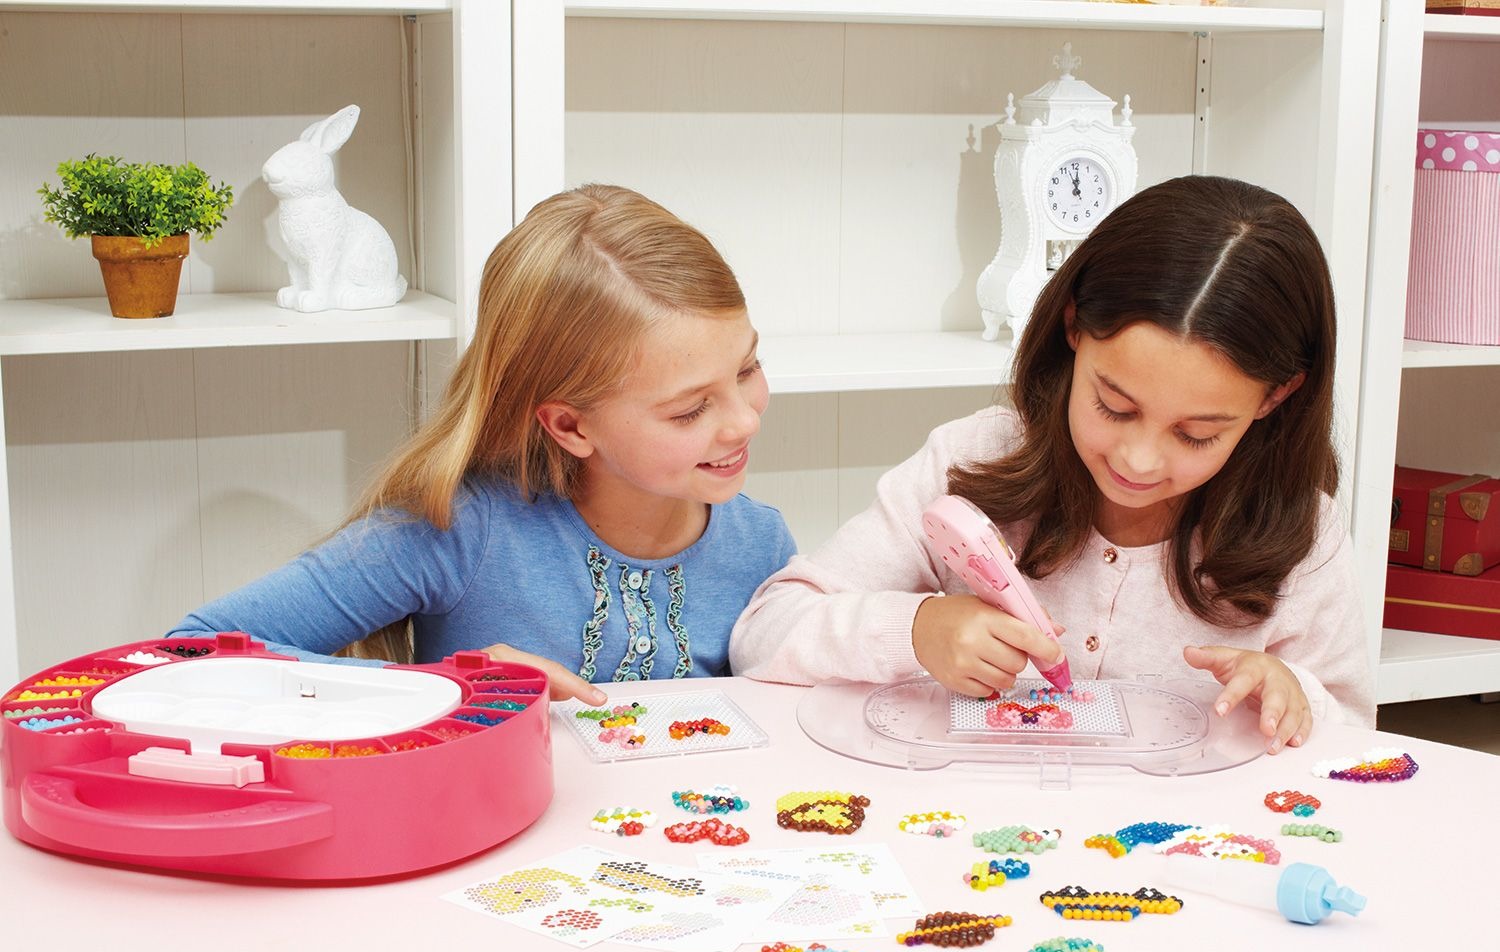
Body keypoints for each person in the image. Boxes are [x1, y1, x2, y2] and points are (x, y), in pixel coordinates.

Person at [731, 175, 1374, 752]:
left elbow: (1357, 737)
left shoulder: (1302, 536)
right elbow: (764, 633)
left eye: (1196, 434)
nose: (1138, 460)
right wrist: (917, 630)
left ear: (1275, 396)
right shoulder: (973, 462)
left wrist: (1296, 697)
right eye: (1114, 406)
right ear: (1073, 328)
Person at [170, 185, 794, 704]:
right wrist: (450, 686)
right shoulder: (454, 530)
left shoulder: (762, 543)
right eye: (689, 410)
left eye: (747, 369)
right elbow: (185, 653)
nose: (744, 422)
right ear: (570, 427)